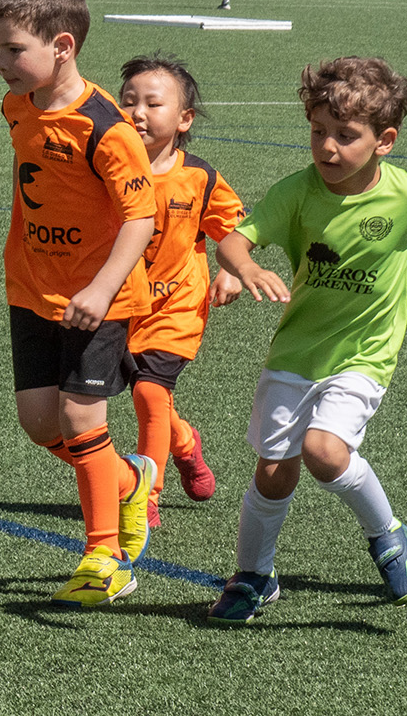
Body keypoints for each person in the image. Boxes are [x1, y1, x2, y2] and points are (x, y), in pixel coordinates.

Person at [208, 56, 407, 623]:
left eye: (346, 136)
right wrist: (243, 268)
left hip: (365, 352)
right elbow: (233, 240)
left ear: (385, 141)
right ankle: (254, 574)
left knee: (326, 452)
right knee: (274, 468)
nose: (327, 147)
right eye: (318, 131)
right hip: (297, 352)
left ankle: (391, 535)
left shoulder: (405, 195)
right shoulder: (296, 191)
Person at [0, 0, 158, 607]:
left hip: (98, 298)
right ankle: (127, 481)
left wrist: (102, 286)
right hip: (32, 287)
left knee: (82, 416)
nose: (3, 63)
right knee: (39, 422)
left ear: (62, 45)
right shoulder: (18, 106)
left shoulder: (106, 127)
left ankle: (104, 554)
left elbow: (140, 218)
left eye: (14, 50)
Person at [118, 55, 244, 527]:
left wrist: (230, 270)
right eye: (128, 101)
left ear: (184, 119)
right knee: (148, 395)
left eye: (153, 103)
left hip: (177, 305)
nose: (138, 112)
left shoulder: (198, 177)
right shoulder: (107, 170)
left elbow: (233, 229)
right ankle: (186, 443)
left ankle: (144, 493)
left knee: (149, 393)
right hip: (122, 306)